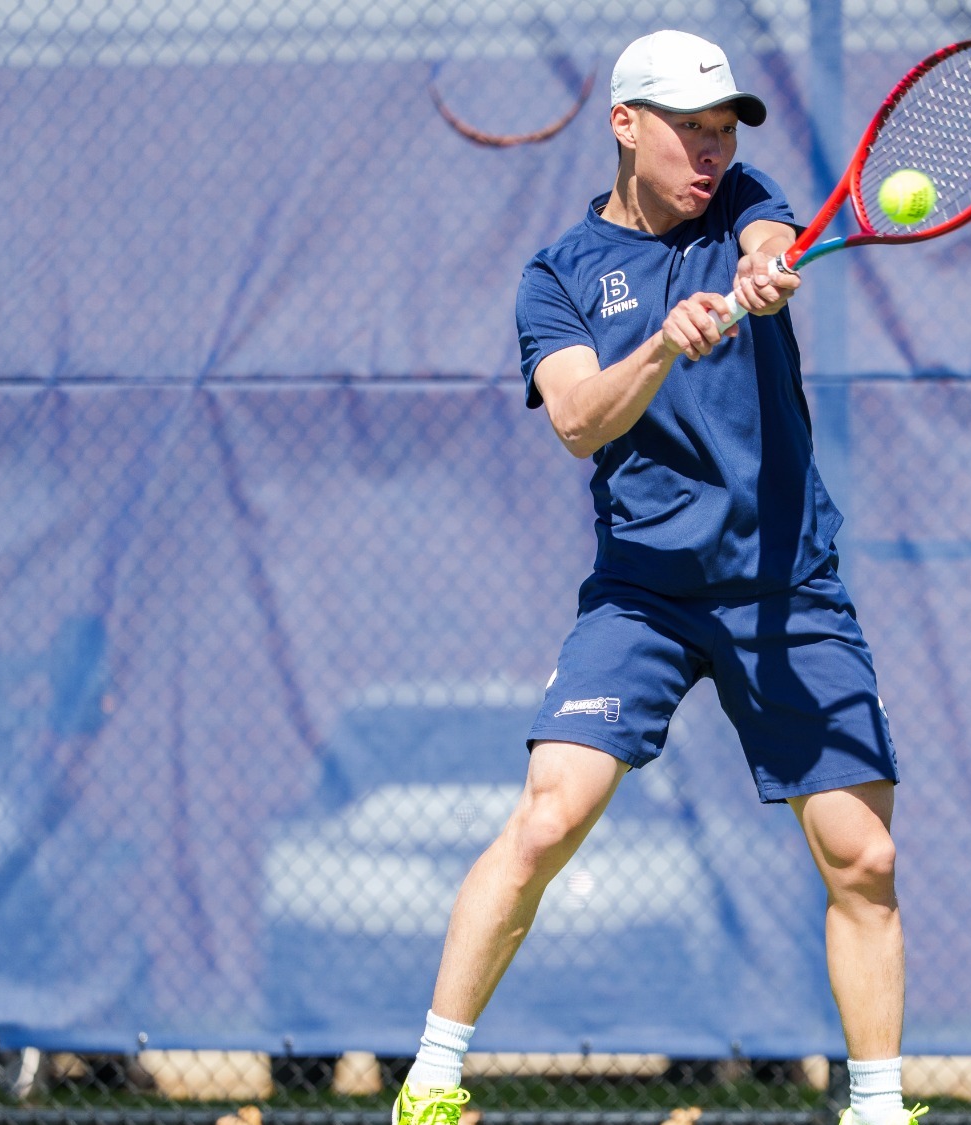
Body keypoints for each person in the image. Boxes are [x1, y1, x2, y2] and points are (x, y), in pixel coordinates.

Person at [390, 28, 916, 1125]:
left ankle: (876, 1110)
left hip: (784, 585)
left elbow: (767, 234)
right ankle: (430, 1087)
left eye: (722, 131)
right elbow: (579, 420)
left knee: (861, 857)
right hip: (644, 594)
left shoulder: (743, 202)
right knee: (544, 821)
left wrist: (761, 267)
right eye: (689, 131)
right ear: (624, 125)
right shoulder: (557, 277)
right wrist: (665, 343)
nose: (710, 152)